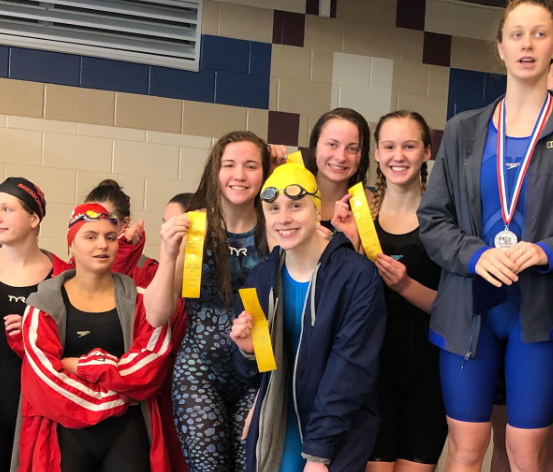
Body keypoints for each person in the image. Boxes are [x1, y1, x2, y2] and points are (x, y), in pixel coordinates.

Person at [417, 1, 553, 470]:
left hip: (538, 309)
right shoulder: (463, 130)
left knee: (524, 453)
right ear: (500, 47)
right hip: (467, 305)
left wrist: (545, 249)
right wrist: (475, 255)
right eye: (517, 34)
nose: (528, 44)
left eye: (539, 34)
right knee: (467, 448)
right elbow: (433, 220)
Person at [230, 162, 386, 472]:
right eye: (273, 209)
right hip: (280, 421)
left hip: (337, 427)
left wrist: (318, 453)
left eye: (296, 206)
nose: (284, 218)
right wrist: (248, 351)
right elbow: (258, 373)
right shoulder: (260, 280)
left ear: (316, 211)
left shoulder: (356, 276)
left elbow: (350, 369)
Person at [12, 202, 185, 472]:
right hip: (67, 433)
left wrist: (82, 366)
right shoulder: (42, 305)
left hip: (127, 433)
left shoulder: (142, 301)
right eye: (90, 236)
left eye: (110, 237)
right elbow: (45, 383)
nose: (102, 245)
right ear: (71, 244)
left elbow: (151, 368)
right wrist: (120, 397)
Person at [334, 111, 447, 472]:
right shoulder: (362, 217)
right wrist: (349, 245)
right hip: (372, 374)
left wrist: (405, 286)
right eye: (389, 146)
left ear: (427, 152)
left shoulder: (444, 220)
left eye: (409, 145)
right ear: (377, 155)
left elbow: (454, 309)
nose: (399, 155)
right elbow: (346, 301)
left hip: (429, 374)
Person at [168, 131, 272, 472]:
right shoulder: (195, 227)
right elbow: (157, 313)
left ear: (265, 173)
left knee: (252, 466)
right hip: (199, 370)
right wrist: (169, 255)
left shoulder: (277, 230)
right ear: (215, 171)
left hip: (258, 371)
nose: (239, 175)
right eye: (229, 165)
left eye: (251, 166)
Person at [0, 177, 70, 471]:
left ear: (34, 218)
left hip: (36, 408)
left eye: (6, 209)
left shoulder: (63, 276)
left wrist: (36, 331)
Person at [304, 108, 373, 237]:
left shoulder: (372, 206)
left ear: (361, 155)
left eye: (352, 149)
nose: (341, 157)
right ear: (315, 147)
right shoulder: (291, 193)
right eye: (332, 145)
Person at [84, 179, 146, 277]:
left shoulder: (143, 270)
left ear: (124, 223)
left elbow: (103, 278)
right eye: (90, 216)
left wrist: (125, 242)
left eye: (107, 217)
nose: (96, 223)